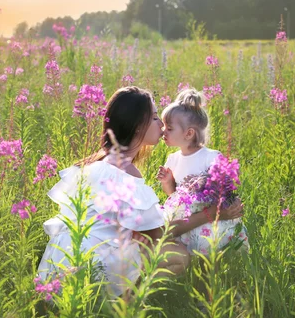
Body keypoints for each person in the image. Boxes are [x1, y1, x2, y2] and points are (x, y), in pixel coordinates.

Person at [37, 86, 243, 296]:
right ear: (137, 126)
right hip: (94, 268)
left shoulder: (102, 162)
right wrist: (212, 214)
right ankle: (125, 308)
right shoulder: (126, 171)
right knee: (178, 255)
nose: (162, 125)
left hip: (63, 262)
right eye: (154, 118)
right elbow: (160, 234)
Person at [156, 88, 248, 255]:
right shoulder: (173, 159)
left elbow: (224, 189)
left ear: (189, 133)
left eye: (169, 128)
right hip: (186, 220)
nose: (163, 132)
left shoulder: (210, 157)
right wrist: (168, 182)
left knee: (209, 251)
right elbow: (174, 195)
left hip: (209, 218)